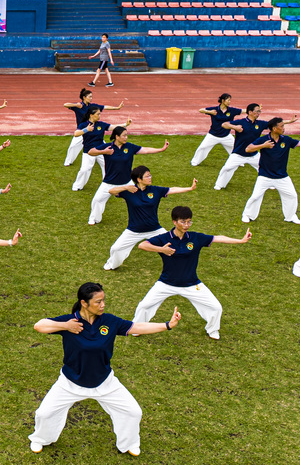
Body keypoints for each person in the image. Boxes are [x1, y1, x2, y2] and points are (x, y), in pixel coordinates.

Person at [28, 282, 181, 456]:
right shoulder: (70, 321)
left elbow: (136, 327)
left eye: (103, 301)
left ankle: (129, 443)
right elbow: (39, 325)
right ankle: (40, 439)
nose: (103, 305)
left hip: (104, 383)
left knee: (133, 412)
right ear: (84, 303)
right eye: (98, 302)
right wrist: (66, 326)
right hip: (70, 382)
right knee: (44, 413)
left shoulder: (109, 321)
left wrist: (168, 325)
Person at [133, 206, 252, 340]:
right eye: (183, 222)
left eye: (189, 222)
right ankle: (137, 328)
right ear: (174, 222)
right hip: (166, 283)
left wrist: (240, 240)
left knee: (216, 307)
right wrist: (161, 249)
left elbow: (218, 238)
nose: (186, 225)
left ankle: (212, 330)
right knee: (144, 305)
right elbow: (142, 245)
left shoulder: (195, 238)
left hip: (191, 284)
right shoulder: (164, 238)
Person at [104, 166, 196, 269]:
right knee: (116, 248)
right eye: (147, 176)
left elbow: (172, 189)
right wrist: (126, 187)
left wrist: (190, 188)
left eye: (150, 175)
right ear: (139, 179)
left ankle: (182, 266)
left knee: (176, 245)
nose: (150, 177)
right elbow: (111, 191)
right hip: (134, 230)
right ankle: (112, 265)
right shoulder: (129, 192)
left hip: (154, 229)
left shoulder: (155, 190)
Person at [240, 118, 300, 224]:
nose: (283, 128)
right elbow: (248, 149)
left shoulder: (286, 140)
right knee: (255, 196)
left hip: (282, 177)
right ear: (274, 129)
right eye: (281, 126)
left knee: (292, 195)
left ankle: (290, 216)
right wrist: (263, 146)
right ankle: (247, 215)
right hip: (264, 176)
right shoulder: (263, 139)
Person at [87, 124, 169, 226]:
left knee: (140, 200)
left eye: (127, 135)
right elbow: (90, 151)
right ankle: (94, 219)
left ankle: (144, 219)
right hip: (109, 182)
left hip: (127, 182)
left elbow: (145, 149)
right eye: (124, 135)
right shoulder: (108, 147)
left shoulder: (130, 147)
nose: (126, 137)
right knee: (97, 200)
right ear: (117, 136)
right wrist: (104, 152)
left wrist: (160, 149)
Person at [214, 103, 295, 190]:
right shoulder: (241, 122)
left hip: (254, 154)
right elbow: (224, 124)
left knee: (266, 167)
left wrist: (289, 121)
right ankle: (219, 184)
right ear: (250, 112)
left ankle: (270, 183)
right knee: (227, 168)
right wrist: (235, 127)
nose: (259, 113)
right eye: (257, 111)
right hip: (238, 153)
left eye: (259, 111)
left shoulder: (260, 124)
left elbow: (274, 125)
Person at [62, 89, 124, 166]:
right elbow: (65, 105)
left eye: (92, 97)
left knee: (102, 144)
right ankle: (68, 162)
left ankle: (106, 160)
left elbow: (104, 107)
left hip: (93, 131)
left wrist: (117, 108)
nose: (91, 98)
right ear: (84, 97)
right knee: (73, 146)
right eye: (90, 97)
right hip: (82, 130)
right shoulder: (78, 106)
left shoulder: (92, 106)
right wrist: (75, 105)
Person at [191, 93, 242, 167]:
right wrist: (209, 112)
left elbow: (244, 111)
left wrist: (255, 110)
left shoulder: (232, 110)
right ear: (223, 101)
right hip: (213, 135)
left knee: (236, 147)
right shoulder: (214, 109)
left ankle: (239, 162)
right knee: (203, 148)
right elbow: (201, 110)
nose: (229, 102)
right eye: (228, 100)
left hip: (226, 136)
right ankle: (195, 162)